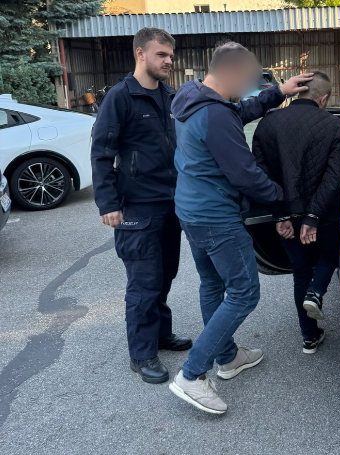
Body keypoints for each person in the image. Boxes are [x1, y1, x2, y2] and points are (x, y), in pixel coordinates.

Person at [168, 41, 313, 414]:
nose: (250, 87)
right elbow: (245, 175)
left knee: (212, 285)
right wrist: (284, 198)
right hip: (216, 217)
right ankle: (192, 374)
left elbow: (239, 112)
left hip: (191, 210)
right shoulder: (214, 114)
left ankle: (228, 356)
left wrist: (278, 92)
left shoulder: (193, 97)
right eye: (248, 78)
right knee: (244, 292)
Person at [91, 27, 192, 385]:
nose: (169, 61)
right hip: (137, 207)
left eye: (170, 55)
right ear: (140, 53)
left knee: (165, 274)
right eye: (161, 54)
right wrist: (108, 203)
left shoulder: (170, 96)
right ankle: (142, 353)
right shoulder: (120, 97)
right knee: (144, 281)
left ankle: (161, 334)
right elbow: (101, 153)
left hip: (171, 204)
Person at [252, 71, 340, 355]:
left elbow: (260, 174)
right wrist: (313, 216)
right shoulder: (331, 124)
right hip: (324, 214)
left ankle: (309, 337)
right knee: (330, 255)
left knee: (300, 271)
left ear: (296, 91)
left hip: (286, 214)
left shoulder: (267, 123)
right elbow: (333, 177)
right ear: (324, 98)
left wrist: (279, 215)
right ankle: (316, 293)